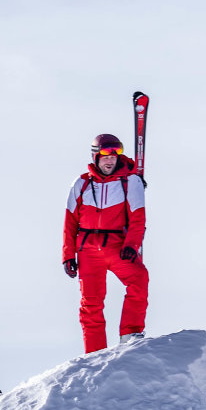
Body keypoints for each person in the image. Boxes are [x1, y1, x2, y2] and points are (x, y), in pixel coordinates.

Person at [62, 133, 148, 352]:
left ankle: (130, 334)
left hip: (117, 246)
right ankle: (95, 354)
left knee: (139, 279)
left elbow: (138, 218)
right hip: (87, 249)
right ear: (95, 156)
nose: (110, 159)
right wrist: (68, 255)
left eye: (115, 154)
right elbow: (70, 221)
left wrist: (132, 245)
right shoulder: (81, 183)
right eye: (106, 154)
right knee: (90, 304)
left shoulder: (129, 182)